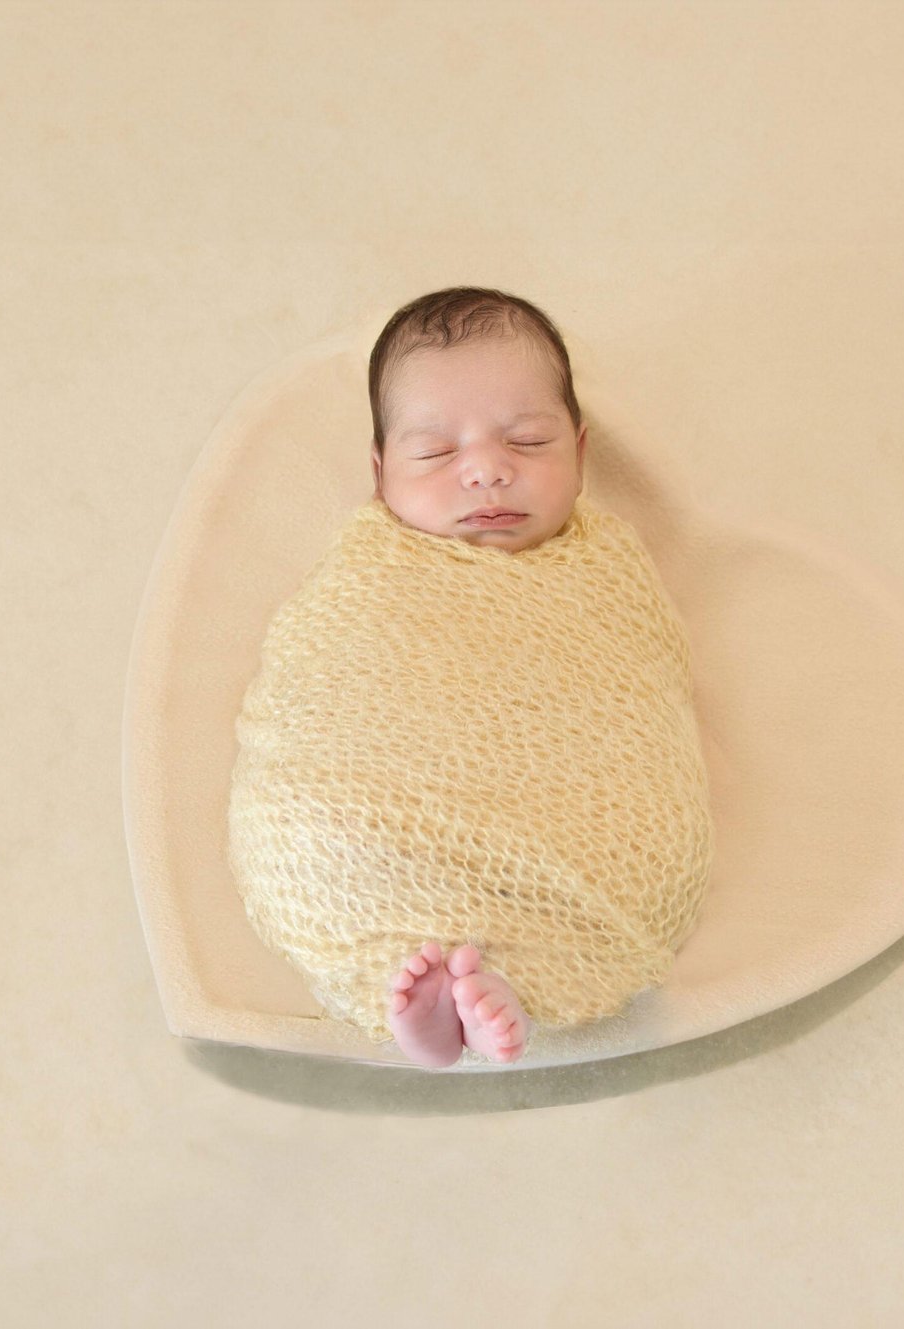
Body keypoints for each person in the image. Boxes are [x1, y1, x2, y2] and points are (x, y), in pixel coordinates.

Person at [366, 285, 589, 1066]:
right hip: (412, 805)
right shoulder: (367, 578)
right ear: (381, 473)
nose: (488, 472)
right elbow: (329, 696)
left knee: (611, 846)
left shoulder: (606, 573)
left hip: (558, 812)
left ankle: (516, 981)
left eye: (528, 442)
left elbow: (635, 695)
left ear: (582, 453)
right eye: (435, 453)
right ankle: (428, 1004)